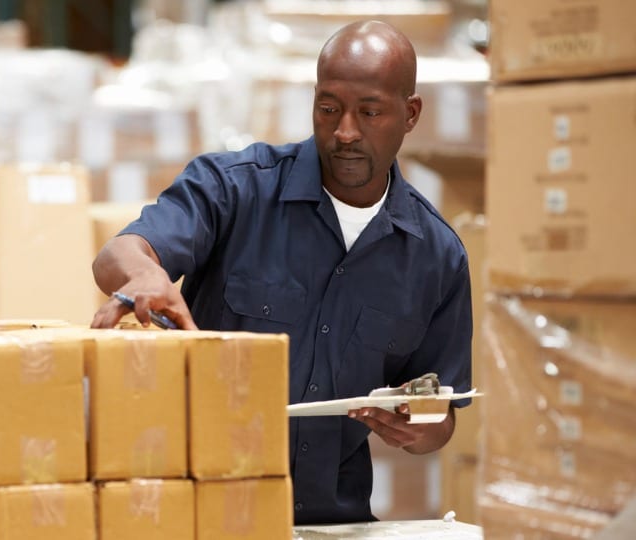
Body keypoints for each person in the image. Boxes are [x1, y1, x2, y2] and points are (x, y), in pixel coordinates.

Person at [91, 20, 472, 525]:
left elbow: (439, 416)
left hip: (332, 524)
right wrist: (143, 275)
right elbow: (119, 253)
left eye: (370, 112)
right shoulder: (233, 191)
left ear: (411, 114)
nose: (345, 132)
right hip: (204, 516)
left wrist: (418, 428)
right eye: (329, 108)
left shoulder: (437, 257)